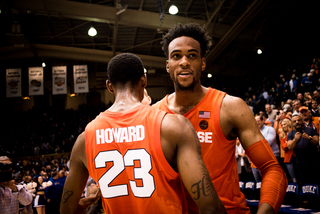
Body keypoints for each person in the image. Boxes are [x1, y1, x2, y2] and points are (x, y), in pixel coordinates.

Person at [60, 53, 226, 214]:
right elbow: (211, 207)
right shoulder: (173, 125)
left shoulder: (85, 139)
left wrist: (80, 207)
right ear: (144, 80)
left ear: (109, 86)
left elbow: (66, 210)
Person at [154, 23, 287, 213]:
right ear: (168, 66)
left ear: (203, 63)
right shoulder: (154, 114)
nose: (184, 62)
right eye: (176, 56)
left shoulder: (230, 107)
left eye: (192, 55)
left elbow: (272, 169)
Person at [287, 113, 320, 185]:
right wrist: (295, 139)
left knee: (316, 182)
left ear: (302, 121)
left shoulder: (311, 130)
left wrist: (309, 138)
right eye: (294, 121)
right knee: (305, 183)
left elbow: (317, 142)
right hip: (300, 162)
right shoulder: (290, 134)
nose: (297, 122)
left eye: (298, 120)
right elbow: (289, 147)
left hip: (313, 161)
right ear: (292, 124)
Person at [252, 116, 280, 182]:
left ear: (263, 121)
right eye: (255, 122)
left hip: (273, 155)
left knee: (273, 178)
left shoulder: (270, 129)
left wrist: (255, 143)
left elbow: (268, 142)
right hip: (261, 158)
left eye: (258, 121)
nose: (257, 123)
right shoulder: (255, 132)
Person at [278, 119, 297, 183]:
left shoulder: (295, 132)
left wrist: (287, 142)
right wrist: (292, 142)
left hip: (297, 156)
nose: (283, 126)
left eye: (284, 124)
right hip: (288, 158)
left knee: (301, 176)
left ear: (288, 124)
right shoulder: (282, 135)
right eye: (282, 125)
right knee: (294, 178)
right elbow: (284, 147)